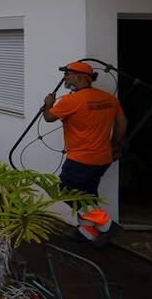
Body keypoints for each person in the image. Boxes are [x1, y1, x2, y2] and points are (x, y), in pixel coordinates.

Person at [42, 61, 128, 241]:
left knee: (66, 191)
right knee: (87, 196)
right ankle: (87, 232)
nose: (64, 78)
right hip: (103, 158)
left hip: (81, 159)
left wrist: (48, 103)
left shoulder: (71, 100)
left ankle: (106, 225)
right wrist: (115, 145)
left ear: (79, 77)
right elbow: (121, 123)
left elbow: (49, 118)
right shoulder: (109, 99)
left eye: (67, 74)